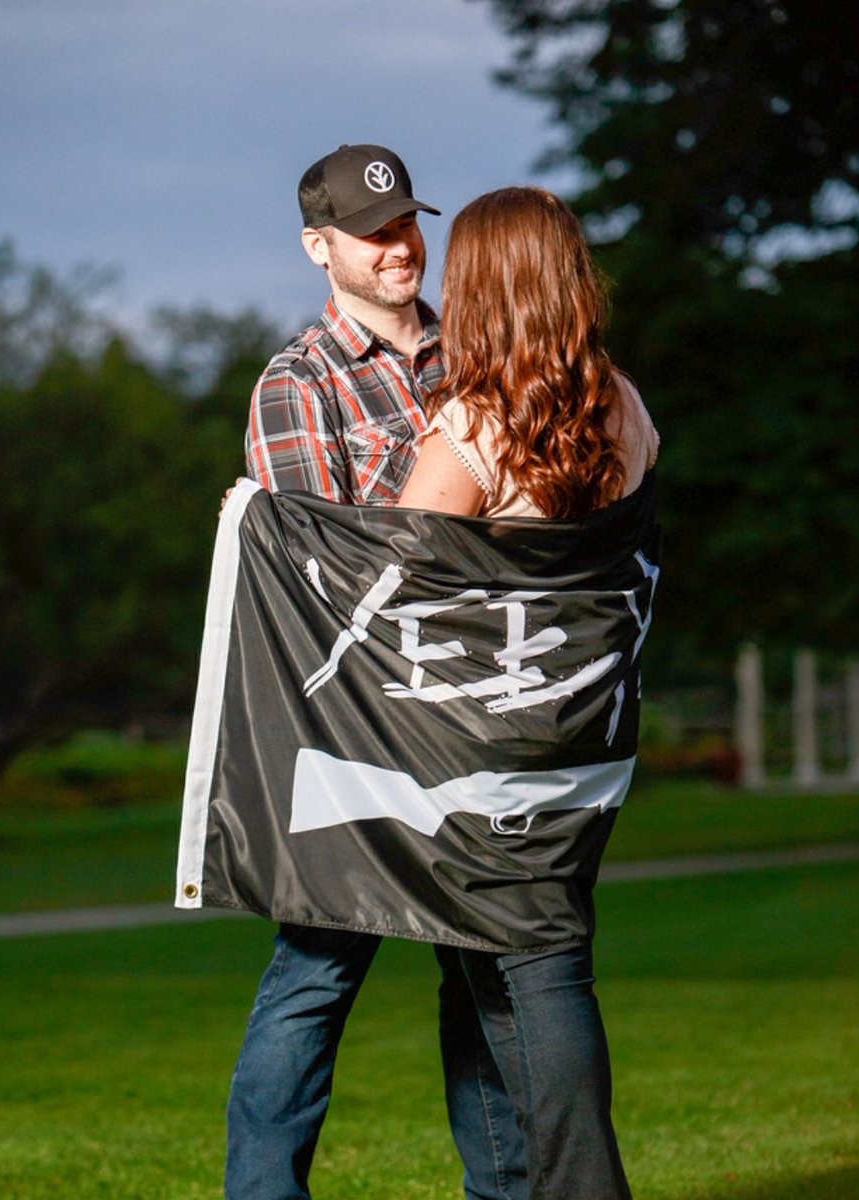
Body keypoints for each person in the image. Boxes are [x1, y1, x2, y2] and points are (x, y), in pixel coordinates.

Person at [227, 145, 527, 1200]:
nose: (398, 248)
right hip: (357, 726)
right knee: (315, 972)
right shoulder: (297, 383)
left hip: (479, 714)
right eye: (370, 233)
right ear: (320, 248)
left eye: (405, 225)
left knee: (488, 970)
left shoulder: (482, 358)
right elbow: (323, 571)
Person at [396, 186, 659, 1199]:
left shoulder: (471, 428)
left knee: (542, 968)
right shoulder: (625, 408)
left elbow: (392, 581)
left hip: (487, 752)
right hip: (586, 739)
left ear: (482, 290)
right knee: (496, 967)